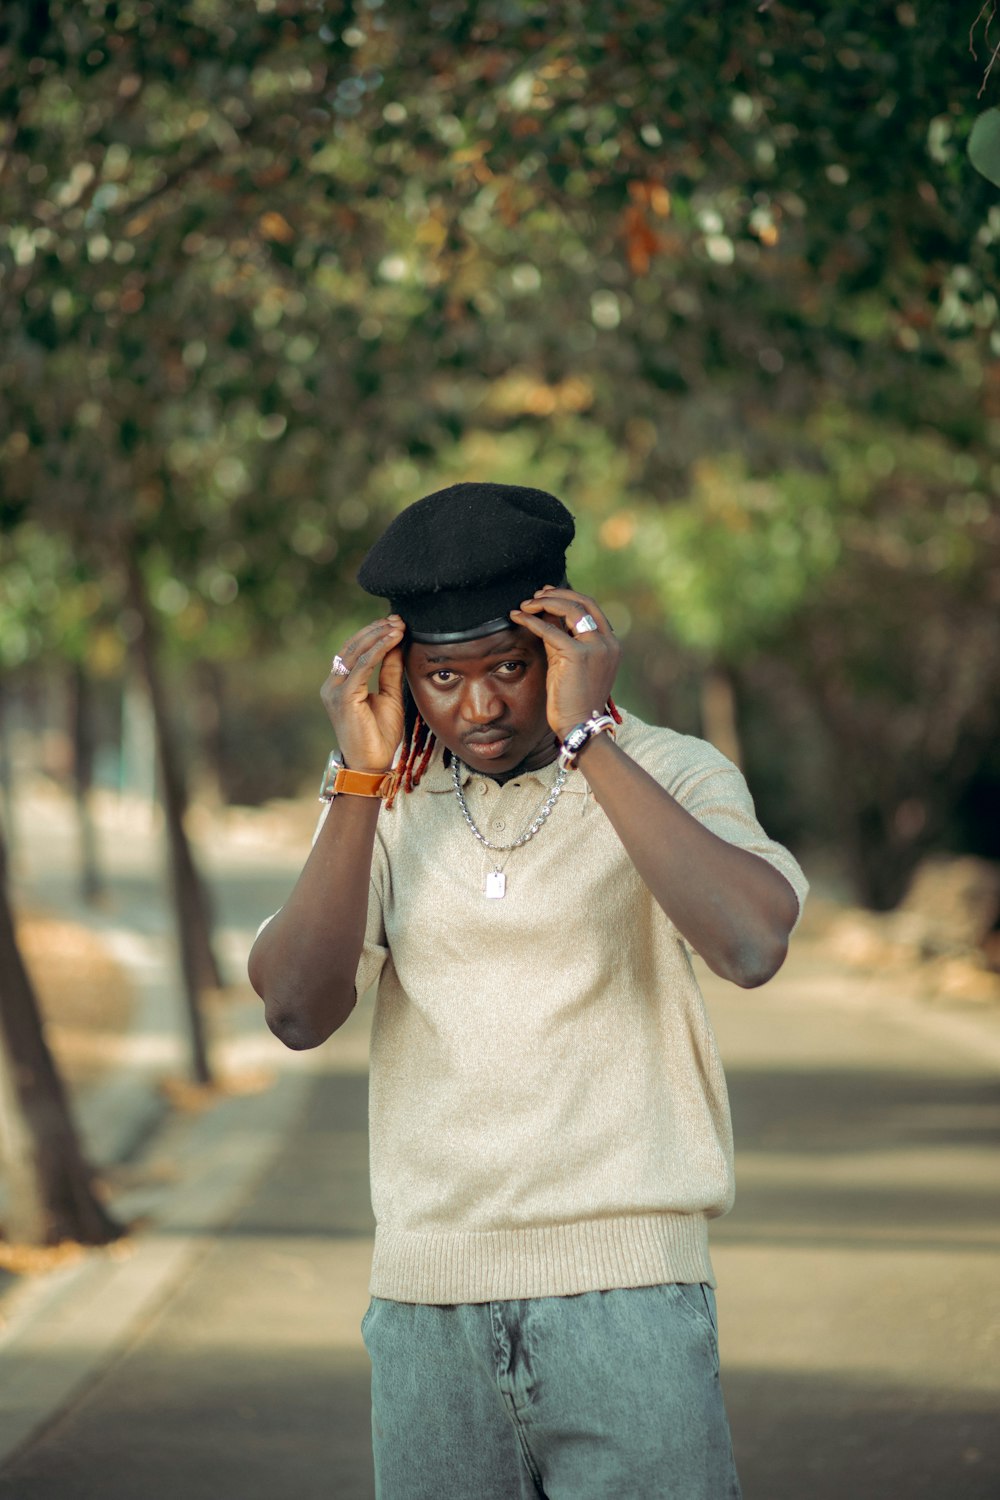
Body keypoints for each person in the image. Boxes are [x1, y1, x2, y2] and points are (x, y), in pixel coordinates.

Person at [248, 481, 807, 1500]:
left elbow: (750, 941)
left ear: (561, 644)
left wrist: (591, 736)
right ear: (400, 678)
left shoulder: (669, 772)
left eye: (508, 667)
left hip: (628, 1301)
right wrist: (359, 783)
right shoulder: (388, 806)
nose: (479, 706)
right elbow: (295, 1008)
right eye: (442, 678)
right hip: (426, 1309)